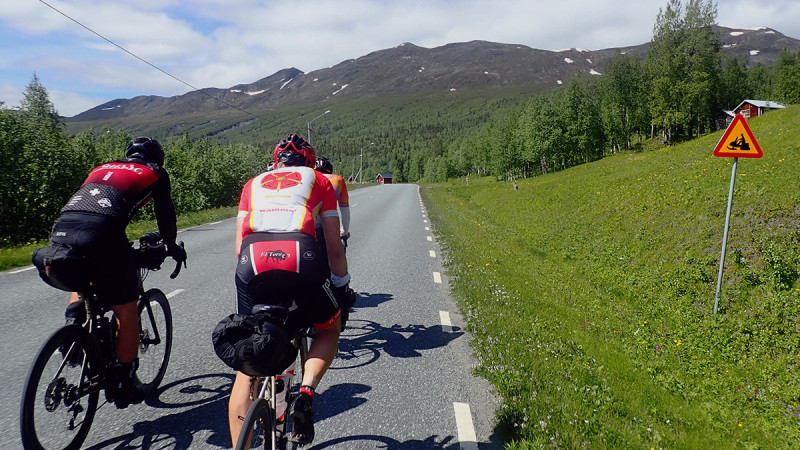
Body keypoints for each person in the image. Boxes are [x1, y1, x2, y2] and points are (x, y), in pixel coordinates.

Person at [43, 136, 187, 408]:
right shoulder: (155, 171)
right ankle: (123, 380)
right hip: (103, 231)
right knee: (125, 307)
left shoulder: (102, 167)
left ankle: (75, 322)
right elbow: (165, 213)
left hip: (62, 228)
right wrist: (171, 246)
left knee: (84, 273)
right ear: (158, 158)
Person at [229, 133, 352, 446]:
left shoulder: (252, 184)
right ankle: (306, 393)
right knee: (327, 330)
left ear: (275, 162)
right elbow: (334, 249)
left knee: (250, 356)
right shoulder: (319, 179)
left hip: (251, 261)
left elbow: (238, 245)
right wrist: (341, 285)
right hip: (302, 257)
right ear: (309, 162)